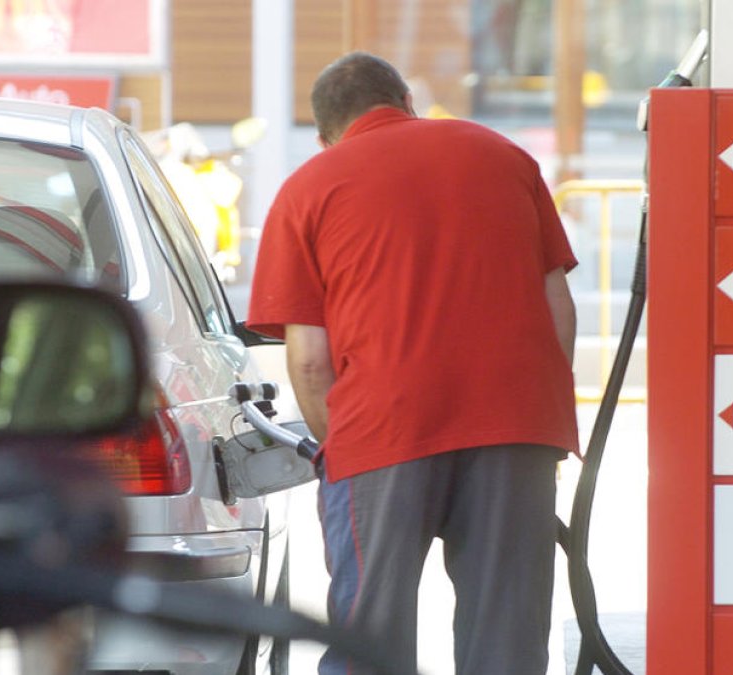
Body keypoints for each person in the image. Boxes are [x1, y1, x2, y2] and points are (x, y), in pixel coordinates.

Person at [248, 51, 579, 675]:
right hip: (516, 424)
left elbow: (311, 363)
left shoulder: (309, 187)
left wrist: (341, 451)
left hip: (384, 431)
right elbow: (557, 307)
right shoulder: (503, 156)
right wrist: (541, 421)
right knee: (507, 639)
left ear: (324, 137)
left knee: (369, 641)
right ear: (406, 103)